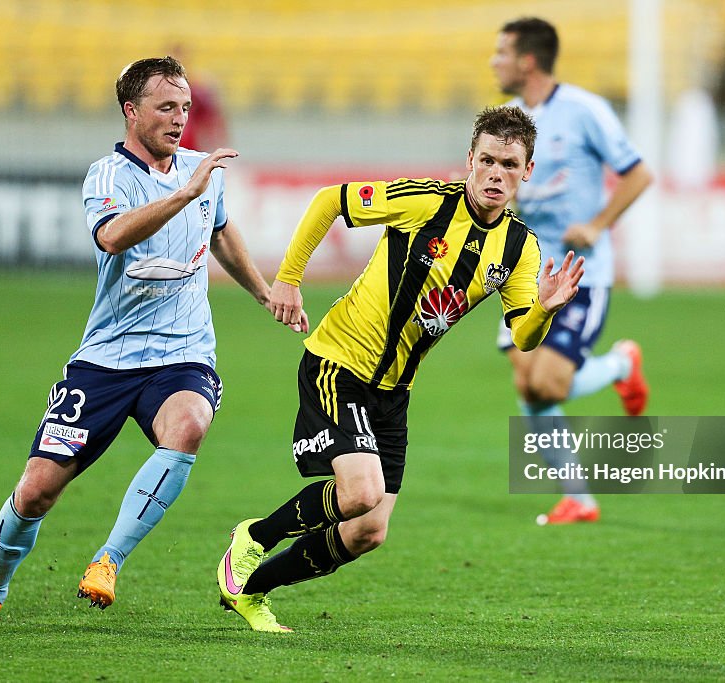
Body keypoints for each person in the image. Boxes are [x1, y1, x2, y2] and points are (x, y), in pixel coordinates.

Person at [0, 56, 306, 624]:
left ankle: (108, 561)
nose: (179, 118)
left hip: (182, 355)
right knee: (38, 490)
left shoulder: (200, 172)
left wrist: (265, 293)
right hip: (106, 361)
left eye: (186, 108)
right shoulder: (107, 176)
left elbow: (221, 232)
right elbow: (112, 237)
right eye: (166, 107)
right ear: (131, 110)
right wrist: (185, 192)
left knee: (188, 424)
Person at [216, 106, 585, 632]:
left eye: (509, 163)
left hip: (394, 391)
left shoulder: (521, 247)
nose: (496, 174)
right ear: (469, 162)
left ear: (527, 171)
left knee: (369, 530)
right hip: (338, 364)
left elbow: (525, 337)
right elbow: (330, 201)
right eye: (487, 161)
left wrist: (545, 310)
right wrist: (289, 278)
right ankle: (254, 537)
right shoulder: (425, 202)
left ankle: (252, 592)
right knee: (360, 492)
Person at [489, 17, 654, 525]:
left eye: (501, 53)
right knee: (528, 385)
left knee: (550, 386)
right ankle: (578, 498)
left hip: (582, 272)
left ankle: (621, 366)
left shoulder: (585, 111)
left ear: (528, 60)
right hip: (525, 272)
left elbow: (639, 174)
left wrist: (599, 223)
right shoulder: (507, 120)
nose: (494, 62)